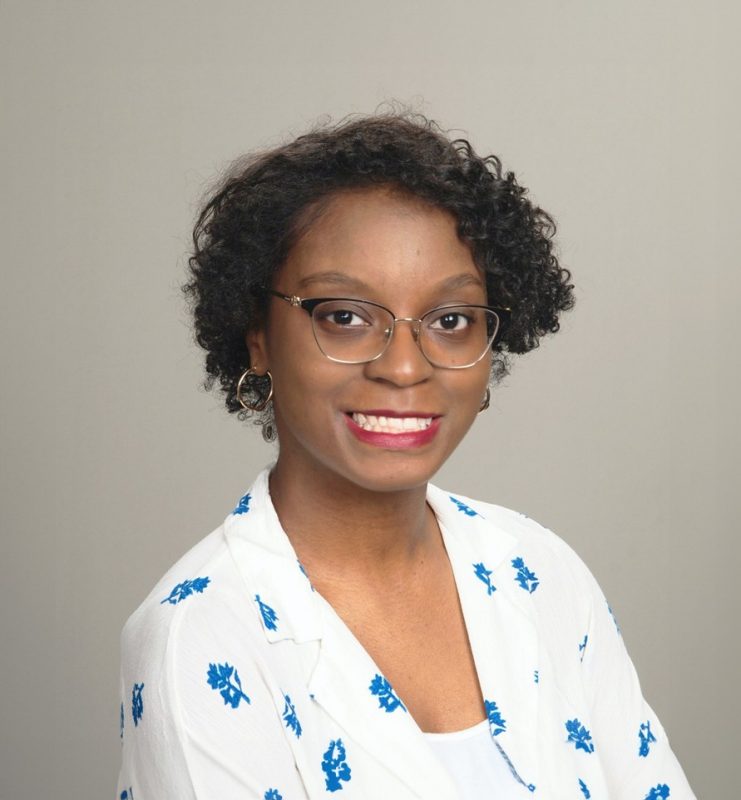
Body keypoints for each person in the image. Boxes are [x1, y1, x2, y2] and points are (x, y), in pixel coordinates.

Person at [117, 112, 695, 799]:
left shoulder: (539, 571)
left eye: (449, 322)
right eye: (344, 315)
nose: (402, 367)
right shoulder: (201, 634)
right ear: (257, 336)